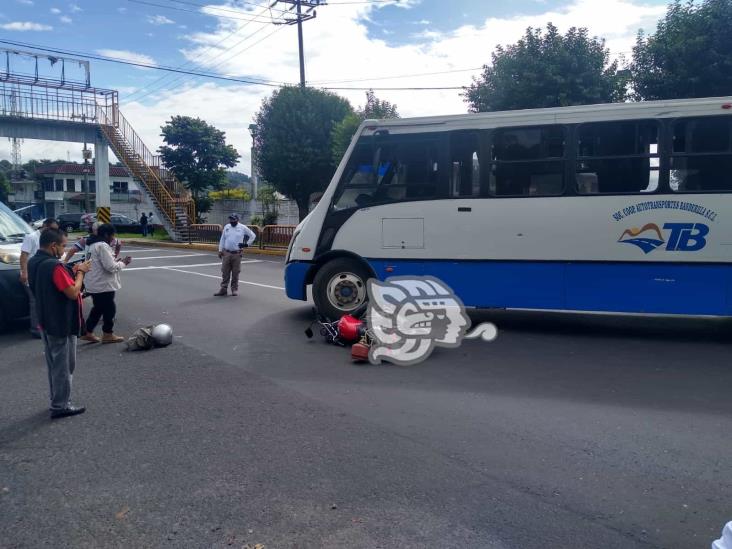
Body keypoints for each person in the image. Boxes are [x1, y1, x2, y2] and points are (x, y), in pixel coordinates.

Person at [27, 229, 91, 419]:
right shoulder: (54, 266)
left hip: (45, 320)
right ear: (53, 246)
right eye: (63, 246)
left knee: (54, 365)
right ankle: (61, 405)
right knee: (64, 366)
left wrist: (69, 270)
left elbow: (49, 284)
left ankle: (56, 399)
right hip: (61, 322)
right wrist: (80, 272)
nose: (64, 250)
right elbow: (72, 292)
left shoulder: (33, 262)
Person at [80, 224, 131, 343]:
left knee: (98, 308)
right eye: (112, 236)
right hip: (103, 284)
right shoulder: (102, 246)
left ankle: (87, 332)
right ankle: (107, 334)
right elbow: (110, 267)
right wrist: (124, 263)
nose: (113, 239)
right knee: (109, 309)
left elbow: (103, 263)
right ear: (107, 235)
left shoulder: (91, 244)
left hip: (94, 282)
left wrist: (115, 261)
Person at [19, 218, 59, 339]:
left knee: (44, 300)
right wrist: (24, 273)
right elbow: (24, 255)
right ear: (45, 226)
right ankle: (35, 328)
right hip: (31, 273)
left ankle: (44, 325)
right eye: (52, 229)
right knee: (35, 301)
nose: (54, 232)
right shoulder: (31, 237)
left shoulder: (49, 239)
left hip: (42, 273)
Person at [215, 213, 256, 297]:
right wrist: (220, 250)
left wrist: (246, 244)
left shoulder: (242, 227)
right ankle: (223, 289)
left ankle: (234, 289)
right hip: (226, 253)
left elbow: (253, 235)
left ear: (237, 220)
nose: (232, 221)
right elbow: (222, 239)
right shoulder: (227, 227)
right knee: (225, 271)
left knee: (235, 272)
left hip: (237, 254)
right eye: (230, 219)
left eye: (233, 219)